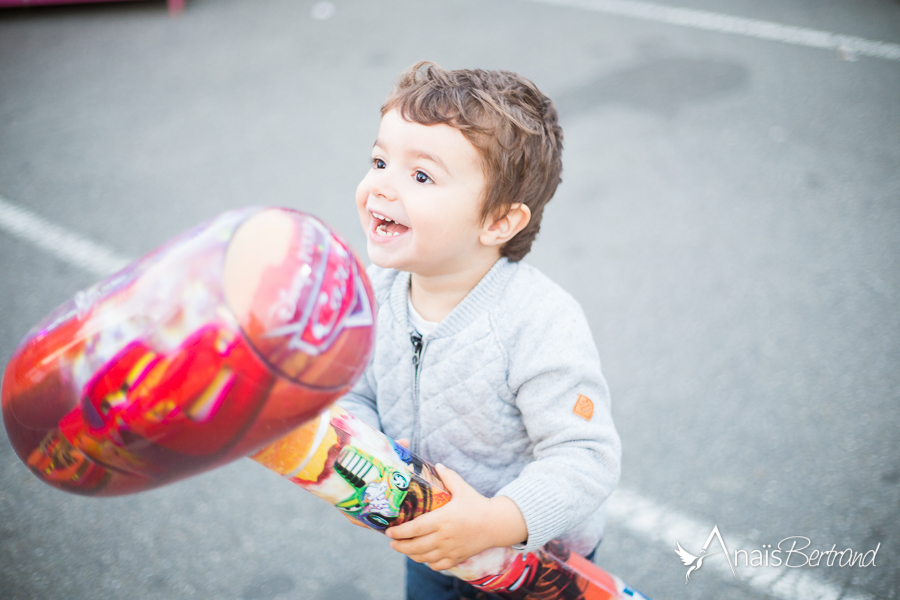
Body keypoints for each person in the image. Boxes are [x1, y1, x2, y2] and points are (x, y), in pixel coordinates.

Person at [338, 61, 621, 600]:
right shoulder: (374, 290)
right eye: (379, 160)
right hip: (431, 544)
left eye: (420, 176)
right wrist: (368, 471)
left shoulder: (539, 321)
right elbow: (352, 391)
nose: (381, 186)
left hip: (534, 566)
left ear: (498, 222)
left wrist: (496, 522)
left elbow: (585, 456)